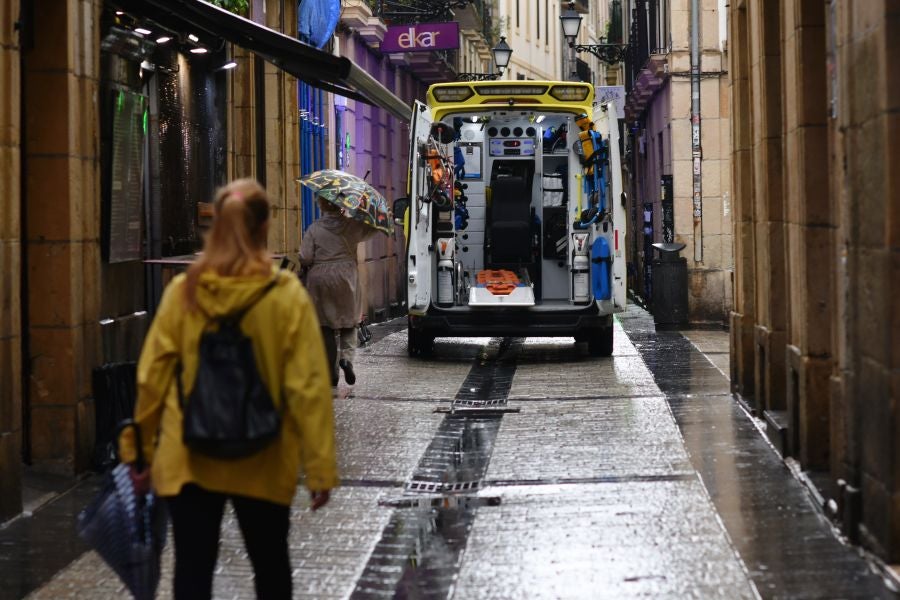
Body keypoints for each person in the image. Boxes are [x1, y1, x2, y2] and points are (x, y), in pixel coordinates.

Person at [122, 179, 337, 600]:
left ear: (216, 227)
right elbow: (308, 387)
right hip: (265, 454)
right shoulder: (285, 296)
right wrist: (319, 468)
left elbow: (152, 378)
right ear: (263, 229)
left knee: (192, 571)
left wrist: (139, 452)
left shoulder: (182, 293)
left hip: (188, 457)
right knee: (271, 567)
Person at [300, 196, 376, 387]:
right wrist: (362, 211)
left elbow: (305, 257)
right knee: (349, 323)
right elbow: (370, 229)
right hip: (345, 278)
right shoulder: (350, 226)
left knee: (325, 326)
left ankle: (331, 374)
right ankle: (346, 359)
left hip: (320, 280)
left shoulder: (314, 229)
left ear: (321, 204)